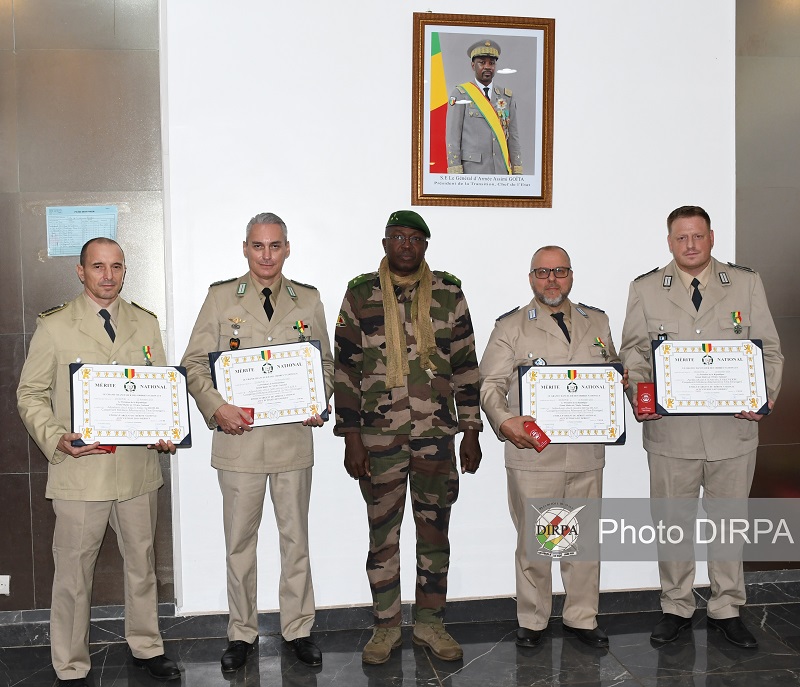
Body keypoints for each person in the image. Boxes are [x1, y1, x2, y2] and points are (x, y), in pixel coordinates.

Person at [16, 238, 179, 686]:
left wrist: (167, 427)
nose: (108, 276)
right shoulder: (54, 326)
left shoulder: (145, 323)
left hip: (135, 471)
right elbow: (29, 395)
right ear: (81, 271)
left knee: (142, 565)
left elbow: (159, 388)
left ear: (125, 271)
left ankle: (147, 646)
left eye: (117, 267)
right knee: (72, 574)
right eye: (98, 267)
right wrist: (55, 438)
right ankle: (70, 665)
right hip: (80, 469)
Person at [619, 205, 783, 649]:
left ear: (711, 237)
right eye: (680, 238)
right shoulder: (647, 288)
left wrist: (762, 398)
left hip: (734, 431)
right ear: (669, 242)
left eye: (697, 236)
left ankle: (727, 607)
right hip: (672, 435)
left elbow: (769, 348)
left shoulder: (745, 284)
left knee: (729, 524)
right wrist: (641, 394)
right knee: (673, 523)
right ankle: (676, 605)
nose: (690, 245)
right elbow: (632, 352)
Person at [181, 212, 333, 672]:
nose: (266, 255)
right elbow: (193, 363)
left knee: (296, 542)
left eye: (275, 245)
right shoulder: (220, 297)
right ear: (245, 249)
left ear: (287, 249)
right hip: (238, 442)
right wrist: (215, 408)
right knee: (239, 545)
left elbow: (325, 364)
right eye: (258, 246)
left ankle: (298, 630)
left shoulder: (308, 300)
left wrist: (317, 398)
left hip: (291, 443)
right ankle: (241, 633)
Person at [334, 210, 483, 664]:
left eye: (414, 238)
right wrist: (351, 437)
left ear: (424, 246)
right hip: (379, 442)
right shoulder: (360, 294)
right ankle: (384, 628)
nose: (405, 244)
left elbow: (465, 366)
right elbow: (345, 369)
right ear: (384, 243)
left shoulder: (448, 293)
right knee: (383, 537)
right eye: (397, 236)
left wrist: (471, 430)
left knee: (434, 534)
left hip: (437, 436)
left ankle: (430, 624)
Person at [479, 246, 618, 650]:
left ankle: (581, 617)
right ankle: (533, 619)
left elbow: (612, 368)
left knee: (584, 540)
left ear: (571, 275)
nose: (551, 280)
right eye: (542, 272)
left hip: (587, 452)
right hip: (533, 454)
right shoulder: (511, 327)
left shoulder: (598, 321)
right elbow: (490, 386)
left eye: (559, 271)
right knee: (535, 543)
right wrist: (504, 421)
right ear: (530, 278)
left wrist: (619, 384)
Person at [445, 39, 523, 175]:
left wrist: (517, 171)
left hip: (501, 170)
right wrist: (455, 173)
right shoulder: (461, 94)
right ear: (473, 65)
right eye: (482, 62)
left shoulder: (506, 97)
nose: (487, 67)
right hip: (472, 172)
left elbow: (513, 136)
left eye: (491, 63)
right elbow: (453, 136)